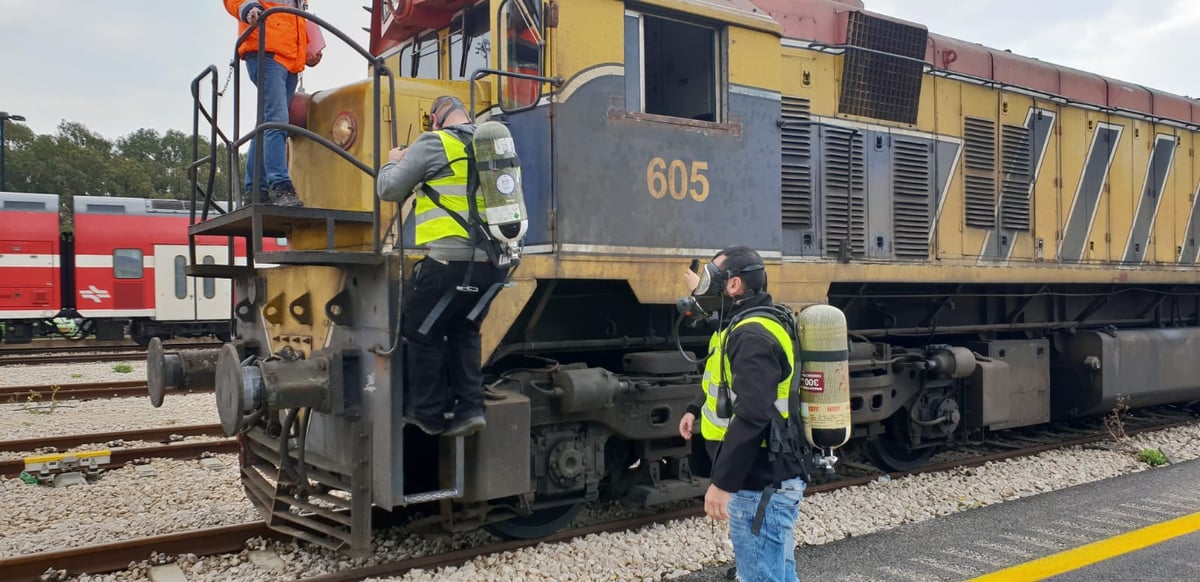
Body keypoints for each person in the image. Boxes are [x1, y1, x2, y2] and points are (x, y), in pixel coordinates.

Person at [376, 95, 509, 438]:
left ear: (435, 119)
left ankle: (428, 415)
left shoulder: (435, 142)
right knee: (465, 329)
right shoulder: (492, 145)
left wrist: (393, 161)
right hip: (495, 265)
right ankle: (470, 409)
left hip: (451, 261)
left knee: (421, 329)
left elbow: (389, 189)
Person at [682, 246, 808, 582]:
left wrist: (722, 483)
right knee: (779, 574)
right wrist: (695, 408)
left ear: (734, 285)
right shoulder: (743, 323)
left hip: (759, 484)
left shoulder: (750, 335)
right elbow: (723, 380)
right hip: (769, 477)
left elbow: (753, 413)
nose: (705, 285)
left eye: (712, 278)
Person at [224, 0, 323, 207]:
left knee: (268, 121)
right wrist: (248, 8)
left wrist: (308, 46)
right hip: (266, 52)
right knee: (277, 121)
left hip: (290, 60)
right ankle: (280, 186)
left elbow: (295, 17)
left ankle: (255, 190)